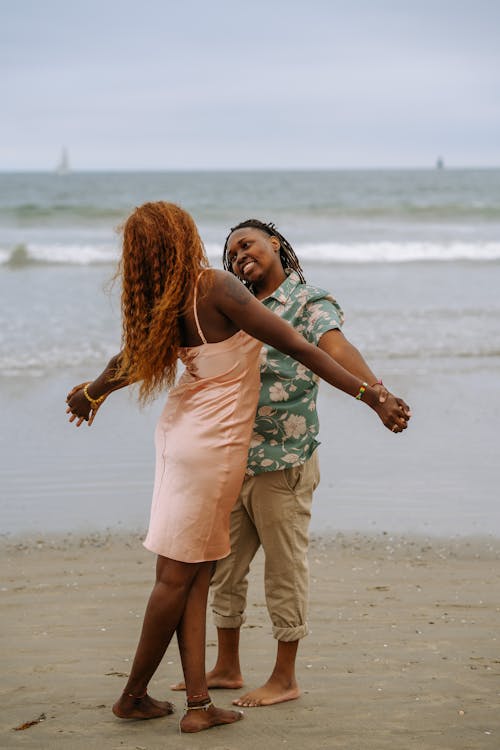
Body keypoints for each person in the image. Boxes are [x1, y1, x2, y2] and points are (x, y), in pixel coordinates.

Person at [66, 203, 409, 734]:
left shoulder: (173, 296)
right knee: (180, 575)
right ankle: (134, 695)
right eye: (228, 245)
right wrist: (370, 396)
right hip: (216, 445)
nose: (233, 251)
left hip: (199, 438)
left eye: (249, 243)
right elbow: (296, 346)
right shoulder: (217, 288)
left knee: (198, 571)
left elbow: (127, 361)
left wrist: (93, 391)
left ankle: (201, 701)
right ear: (183, 237)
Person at [171, 219, 411, 708]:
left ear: (275, 244)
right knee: (225, 571)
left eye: (247, 244)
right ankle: (228, 666)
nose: (239, 257)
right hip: (234, 458)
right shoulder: (236, 306)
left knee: (283, 571)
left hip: (285, 460)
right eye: (232, 254)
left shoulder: (308, 302)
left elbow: (335, 348)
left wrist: (377, 395)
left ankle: (285, 677)